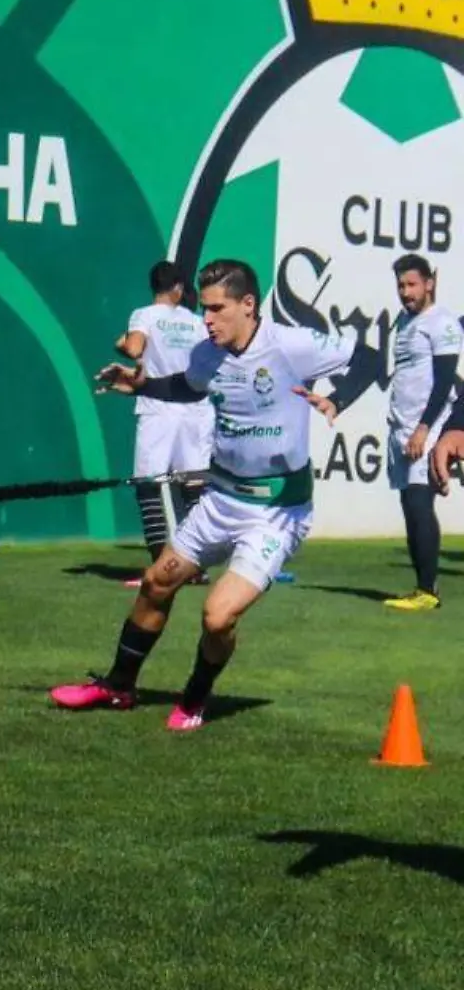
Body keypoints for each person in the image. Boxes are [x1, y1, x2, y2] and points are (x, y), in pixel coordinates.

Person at [51, 259, 374, 730]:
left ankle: (195, 698)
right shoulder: (207, 353)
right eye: (204, 308)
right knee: (156, 581)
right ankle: (118, 687)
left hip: (276, 512)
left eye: (217, 309)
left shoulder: (290, 344)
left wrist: (337, 398)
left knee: (217, 616)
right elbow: (188, 386)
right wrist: (141, 384)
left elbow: (368, 357)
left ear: (248, 305)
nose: (207, 319)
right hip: (220, 501)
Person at [117, 262, 211, 575]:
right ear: (178, 289)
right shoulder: (196, 321)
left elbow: (132, 349)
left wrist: (123, 343)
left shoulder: (144, 314)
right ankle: (198, 565)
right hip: (196, 409)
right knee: (194, 488)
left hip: (158, 409)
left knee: (148, 485)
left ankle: (161, 566)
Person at [377, 254, 458, 611]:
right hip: (403, 428)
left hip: (427, 427)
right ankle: (422, 588)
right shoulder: (405, 321)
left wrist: (425, 429)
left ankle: (428, 591)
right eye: (400, 285)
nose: (405, 292)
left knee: (419, 502)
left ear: (430, 283)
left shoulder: (442, 323)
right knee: (410, 504)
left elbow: (443, 382)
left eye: (412, 284)